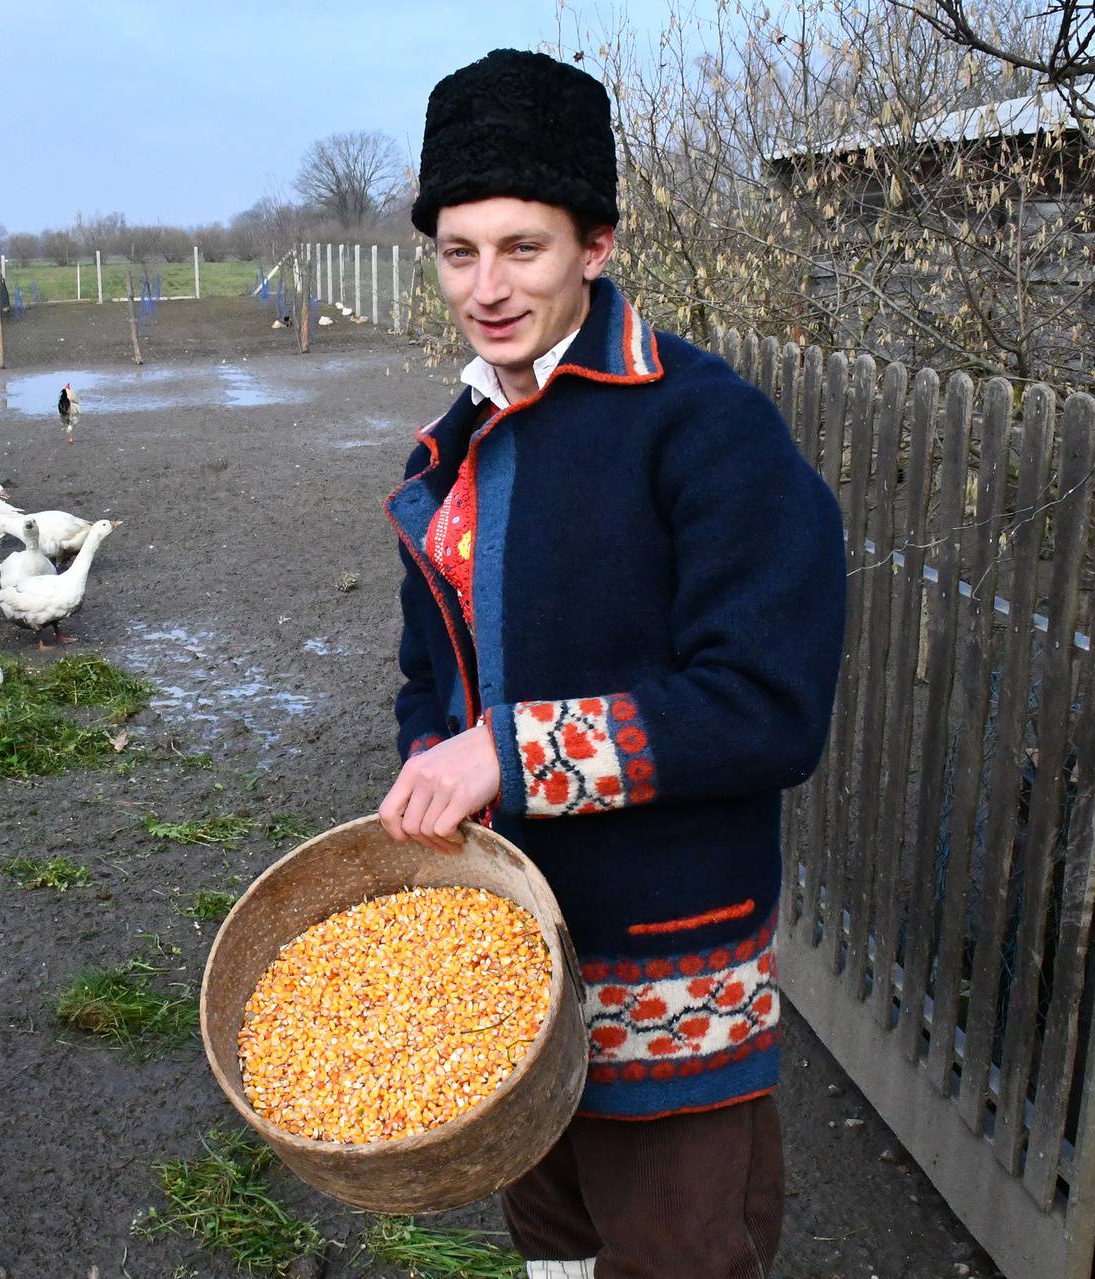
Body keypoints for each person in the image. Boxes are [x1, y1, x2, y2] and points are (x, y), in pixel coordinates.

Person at [376, 48, 848, 1279]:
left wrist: (511, 750)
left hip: (665, 965)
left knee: (681, 1252)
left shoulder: (705, 426)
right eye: (458, 250)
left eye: (521, 247)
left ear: (598, 243)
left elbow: (769, 709)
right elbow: (430, 669)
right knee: (552, 1245)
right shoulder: (459, 440)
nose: (486, 285)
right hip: (513, 956)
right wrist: (433, 758)